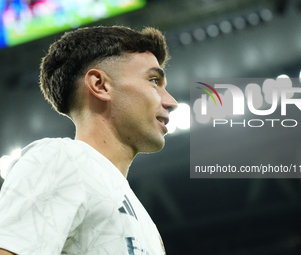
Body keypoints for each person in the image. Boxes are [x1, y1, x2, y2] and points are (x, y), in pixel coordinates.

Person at [0, 25, 178, 255]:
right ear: (100, 85)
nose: (171, 101)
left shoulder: (142, 217)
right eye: (154, 80)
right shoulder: (62, 159)